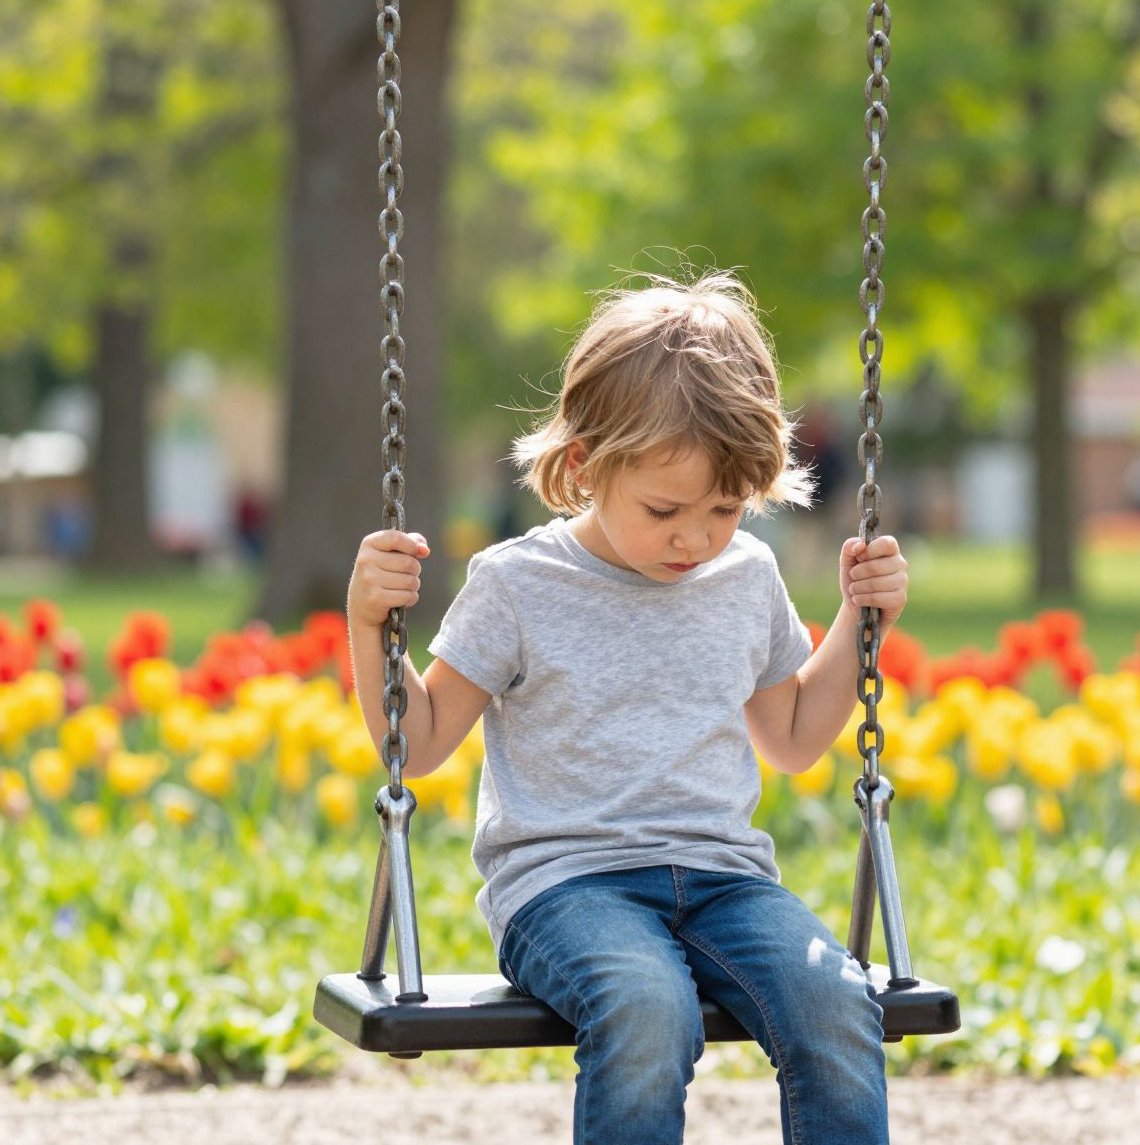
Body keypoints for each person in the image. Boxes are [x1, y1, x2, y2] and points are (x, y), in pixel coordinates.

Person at [344, 272, 907, 1145]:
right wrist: (370, 624)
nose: (695, 538)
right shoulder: (517, 586)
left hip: (724, 881)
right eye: (664, 509)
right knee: (648, 1008)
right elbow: (416, 746)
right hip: (567, 888)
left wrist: (858, 621)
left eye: (726, 508)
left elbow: (794, 737)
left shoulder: (745, 577)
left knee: (837, 1001)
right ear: (583, 467)